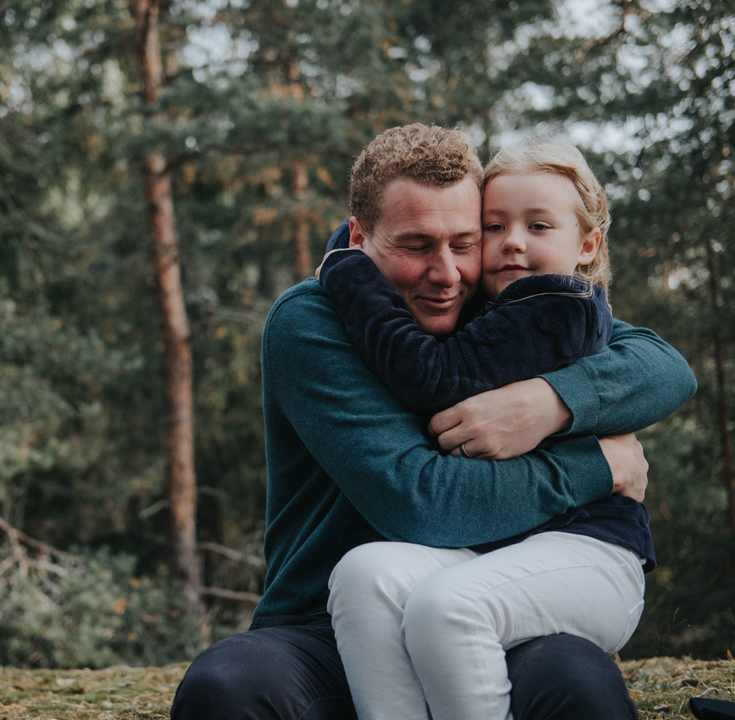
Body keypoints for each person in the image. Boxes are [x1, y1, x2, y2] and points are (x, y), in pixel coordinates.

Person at [169, 123, 698, 720]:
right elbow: (421, 502)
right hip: (326, 624)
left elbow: (661, 365)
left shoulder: (493, 295)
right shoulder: (311, 321)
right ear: (360, 239)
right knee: (226, 688)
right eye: (416, 245)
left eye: (465, 242)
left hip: (486, 604)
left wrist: (549, 402)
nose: (446, 273)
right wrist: (596, 464)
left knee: (576, 684)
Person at [318, 140, 675, 720]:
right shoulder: (488, 302)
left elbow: (436, 379)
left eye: (539, 225)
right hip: (494, 551)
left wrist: (348, 269)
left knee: (447, 608)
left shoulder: (557, 306)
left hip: (588, 549)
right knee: (363, 574)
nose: (512, 241)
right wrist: (359, 247)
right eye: (493, 226)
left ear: (586, 245)